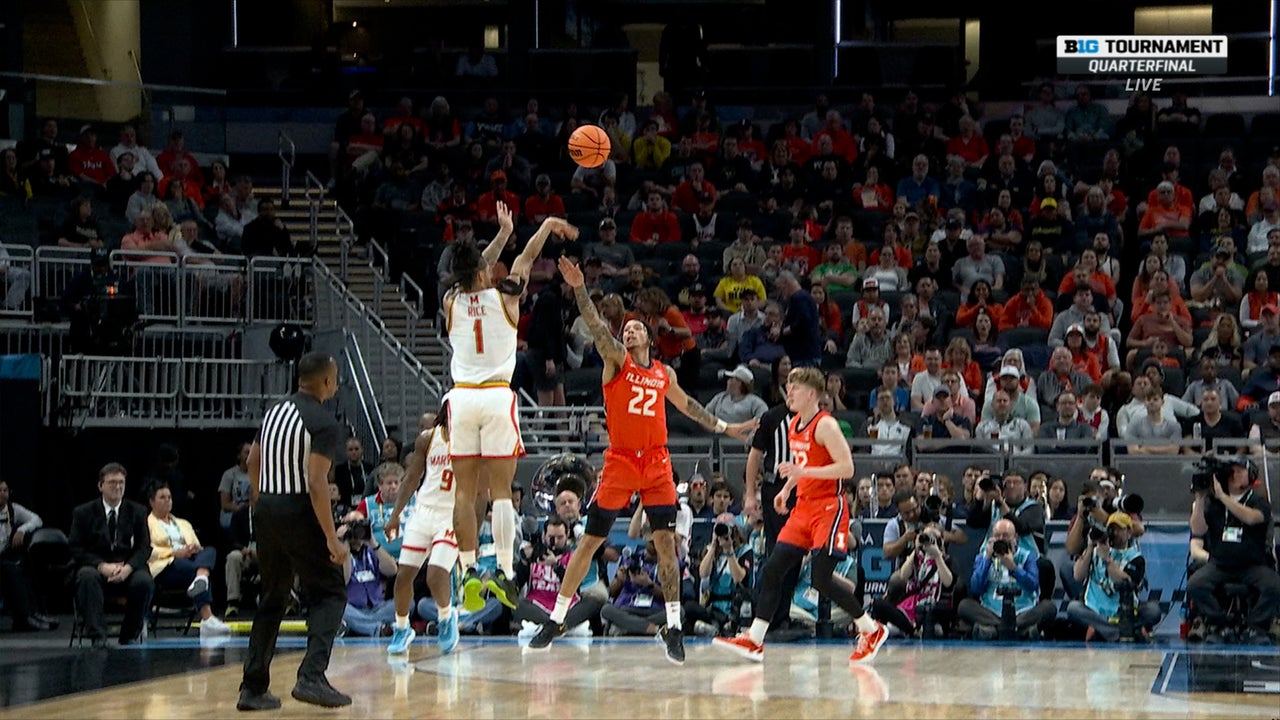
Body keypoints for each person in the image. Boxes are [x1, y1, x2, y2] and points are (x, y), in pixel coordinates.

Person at [525, 257, 757, 663]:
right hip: (619, 462)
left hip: (656, 463)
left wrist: (726, 428)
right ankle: (557, 616)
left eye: (635, 328)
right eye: (625, 328)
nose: (627, 330)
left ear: (648, 337)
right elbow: (598, 327)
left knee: (666, 546)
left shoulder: (664, 374)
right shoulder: (617, 359)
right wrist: (580, 288)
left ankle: (673, 625)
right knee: (591, 540)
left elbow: (689, 407)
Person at [444, 206, 576, 613]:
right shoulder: (508, 294)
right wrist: (545, 225)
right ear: (485, 272)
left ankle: (467, 570)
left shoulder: (450, 300)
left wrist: (501, 235)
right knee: (501, 492)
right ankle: (502, 569)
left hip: (461, 396)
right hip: (498, 396)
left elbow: (473, 269)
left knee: (465, 492)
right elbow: (528, 256)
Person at [714, 367, 887, 664]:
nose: (789, 392)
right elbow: (802, 464)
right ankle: (755, 639)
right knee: (772, 569)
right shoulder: (794, 424)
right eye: (789, 386)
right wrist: (787, 489)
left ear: (811, 394)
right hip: (802, 507)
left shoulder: (826, 425)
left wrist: (802, 472)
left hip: (828, 508)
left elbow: (847, 469)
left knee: (821, 578)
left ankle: (870, 629)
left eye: (795, 387)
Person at [238, 353, 350, 711]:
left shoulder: (274, 411)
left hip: (267, 508)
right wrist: (332, 538)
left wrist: (262, 499)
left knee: (272, 596)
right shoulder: (323, 422)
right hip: (299, 509)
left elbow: (252, 462)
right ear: (327, 382)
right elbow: (317, 483)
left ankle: (252, 688)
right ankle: (312, 677)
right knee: (330, 592)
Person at [383, 410, 461, 654]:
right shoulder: (428, 439)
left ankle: (447, 618)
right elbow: (411, 478)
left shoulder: (471, 441)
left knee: (436, 574)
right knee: (404, 574)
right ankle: (402, 627)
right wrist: (395, 515)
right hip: (424, 511)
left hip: (451, 514)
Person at [1187, 456, 1280, 644]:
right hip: (1220, 564)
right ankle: (1220, 622)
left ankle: (1255, 625)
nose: (1235, 474)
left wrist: (1223, 497)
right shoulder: (1213, 503)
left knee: (1274, 586)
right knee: (1195, 585)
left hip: (1252, 565)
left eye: (1240, 470)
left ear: (1251, 474)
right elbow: (1198, 530)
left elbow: (1252, 518)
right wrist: (1200, 498)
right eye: (1233, 471)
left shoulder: (1258, 501)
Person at [69, 463, 154, 648]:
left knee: (144, 581)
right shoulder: (83, 512)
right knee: (86, 577)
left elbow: (144, 547)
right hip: (96, 567)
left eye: (121, 482)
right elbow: (76, 548)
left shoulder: (138, 511)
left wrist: (128, 568)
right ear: (101, 486)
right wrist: (101, 566)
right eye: (112, 482)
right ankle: (98, 636)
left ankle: (129, 635)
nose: (118, 487)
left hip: (127, 567)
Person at [145, 482, 231, 638]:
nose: (167, 501)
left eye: (169, 497)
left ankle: (201, 578)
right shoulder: (146, 524)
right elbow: (146, 551)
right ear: (152, 502)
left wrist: (192, 549)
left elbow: (196, 545)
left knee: (209, 550)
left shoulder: (183, 523)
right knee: (197, 571)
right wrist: (174, 552)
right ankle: (207, 617)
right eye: (162, 497)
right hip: (166, 565)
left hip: (190, 560)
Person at [1066, 512, 1161, 642]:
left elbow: (1124, 581)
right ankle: (1122, 632)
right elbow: (1077, 575)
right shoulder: (1095, 551)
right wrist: (1089, 547)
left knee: (1153, 611)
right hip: (1095, 611)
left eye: (1119, 529)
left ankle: (1102, 630)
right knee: (1073, 608)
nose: (1115, 533)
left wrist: (1107, 560)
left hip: (1124, 612)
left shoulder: (1135, 558)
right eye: (1112, 529)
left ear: (1128, 532)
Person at [958, 519, 1057, 639]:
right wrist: (987, 560)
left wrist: (1014, 568)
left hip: (1022, 611)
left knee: (1049, 607)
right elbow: (975, 588)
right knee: (964, 606)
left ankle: (997, 629)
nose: (1001, 539)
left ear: (1015, 537)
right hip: (991, 611)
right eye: (997, 535)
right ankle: (1014, 629)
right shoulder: (983, 557)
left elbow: (1034, 585)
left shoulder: (1027, 556)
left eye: (1005, 536)